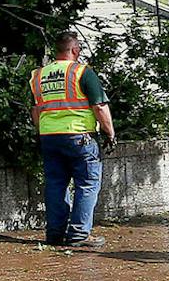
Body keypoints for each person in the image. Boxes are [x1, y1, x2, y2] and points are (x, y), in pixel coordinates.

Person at [29, 28, 116, 248]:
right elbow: (99, 106)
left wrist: (43, 132)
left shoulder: (38, 75)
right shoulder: (82, 72)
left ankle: (55, 234)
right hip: (79, 137)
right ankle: (78, 234)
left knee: (55, 184)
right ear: (75, 50)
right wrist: (110, 133)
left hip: (49, 137)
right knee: (87, 183)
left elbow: (36, 110)